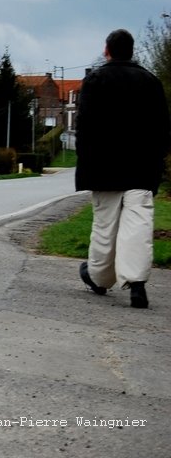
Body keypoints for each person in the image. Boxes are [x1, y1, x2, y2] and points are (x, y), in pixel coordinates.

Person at [75, 28, 171, 308]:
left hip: (104, 168)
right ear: (132, 51)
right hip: (142, 168)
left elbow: (85, 126)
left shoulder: (95, 80)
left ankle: (98, 277)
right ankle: (137, 283)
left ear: (107, 50)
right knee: (138, 227)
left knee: (105, 227)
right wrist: (157, 160)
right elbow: (163, 129)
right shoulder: (150, 81)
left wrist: (85, 160)